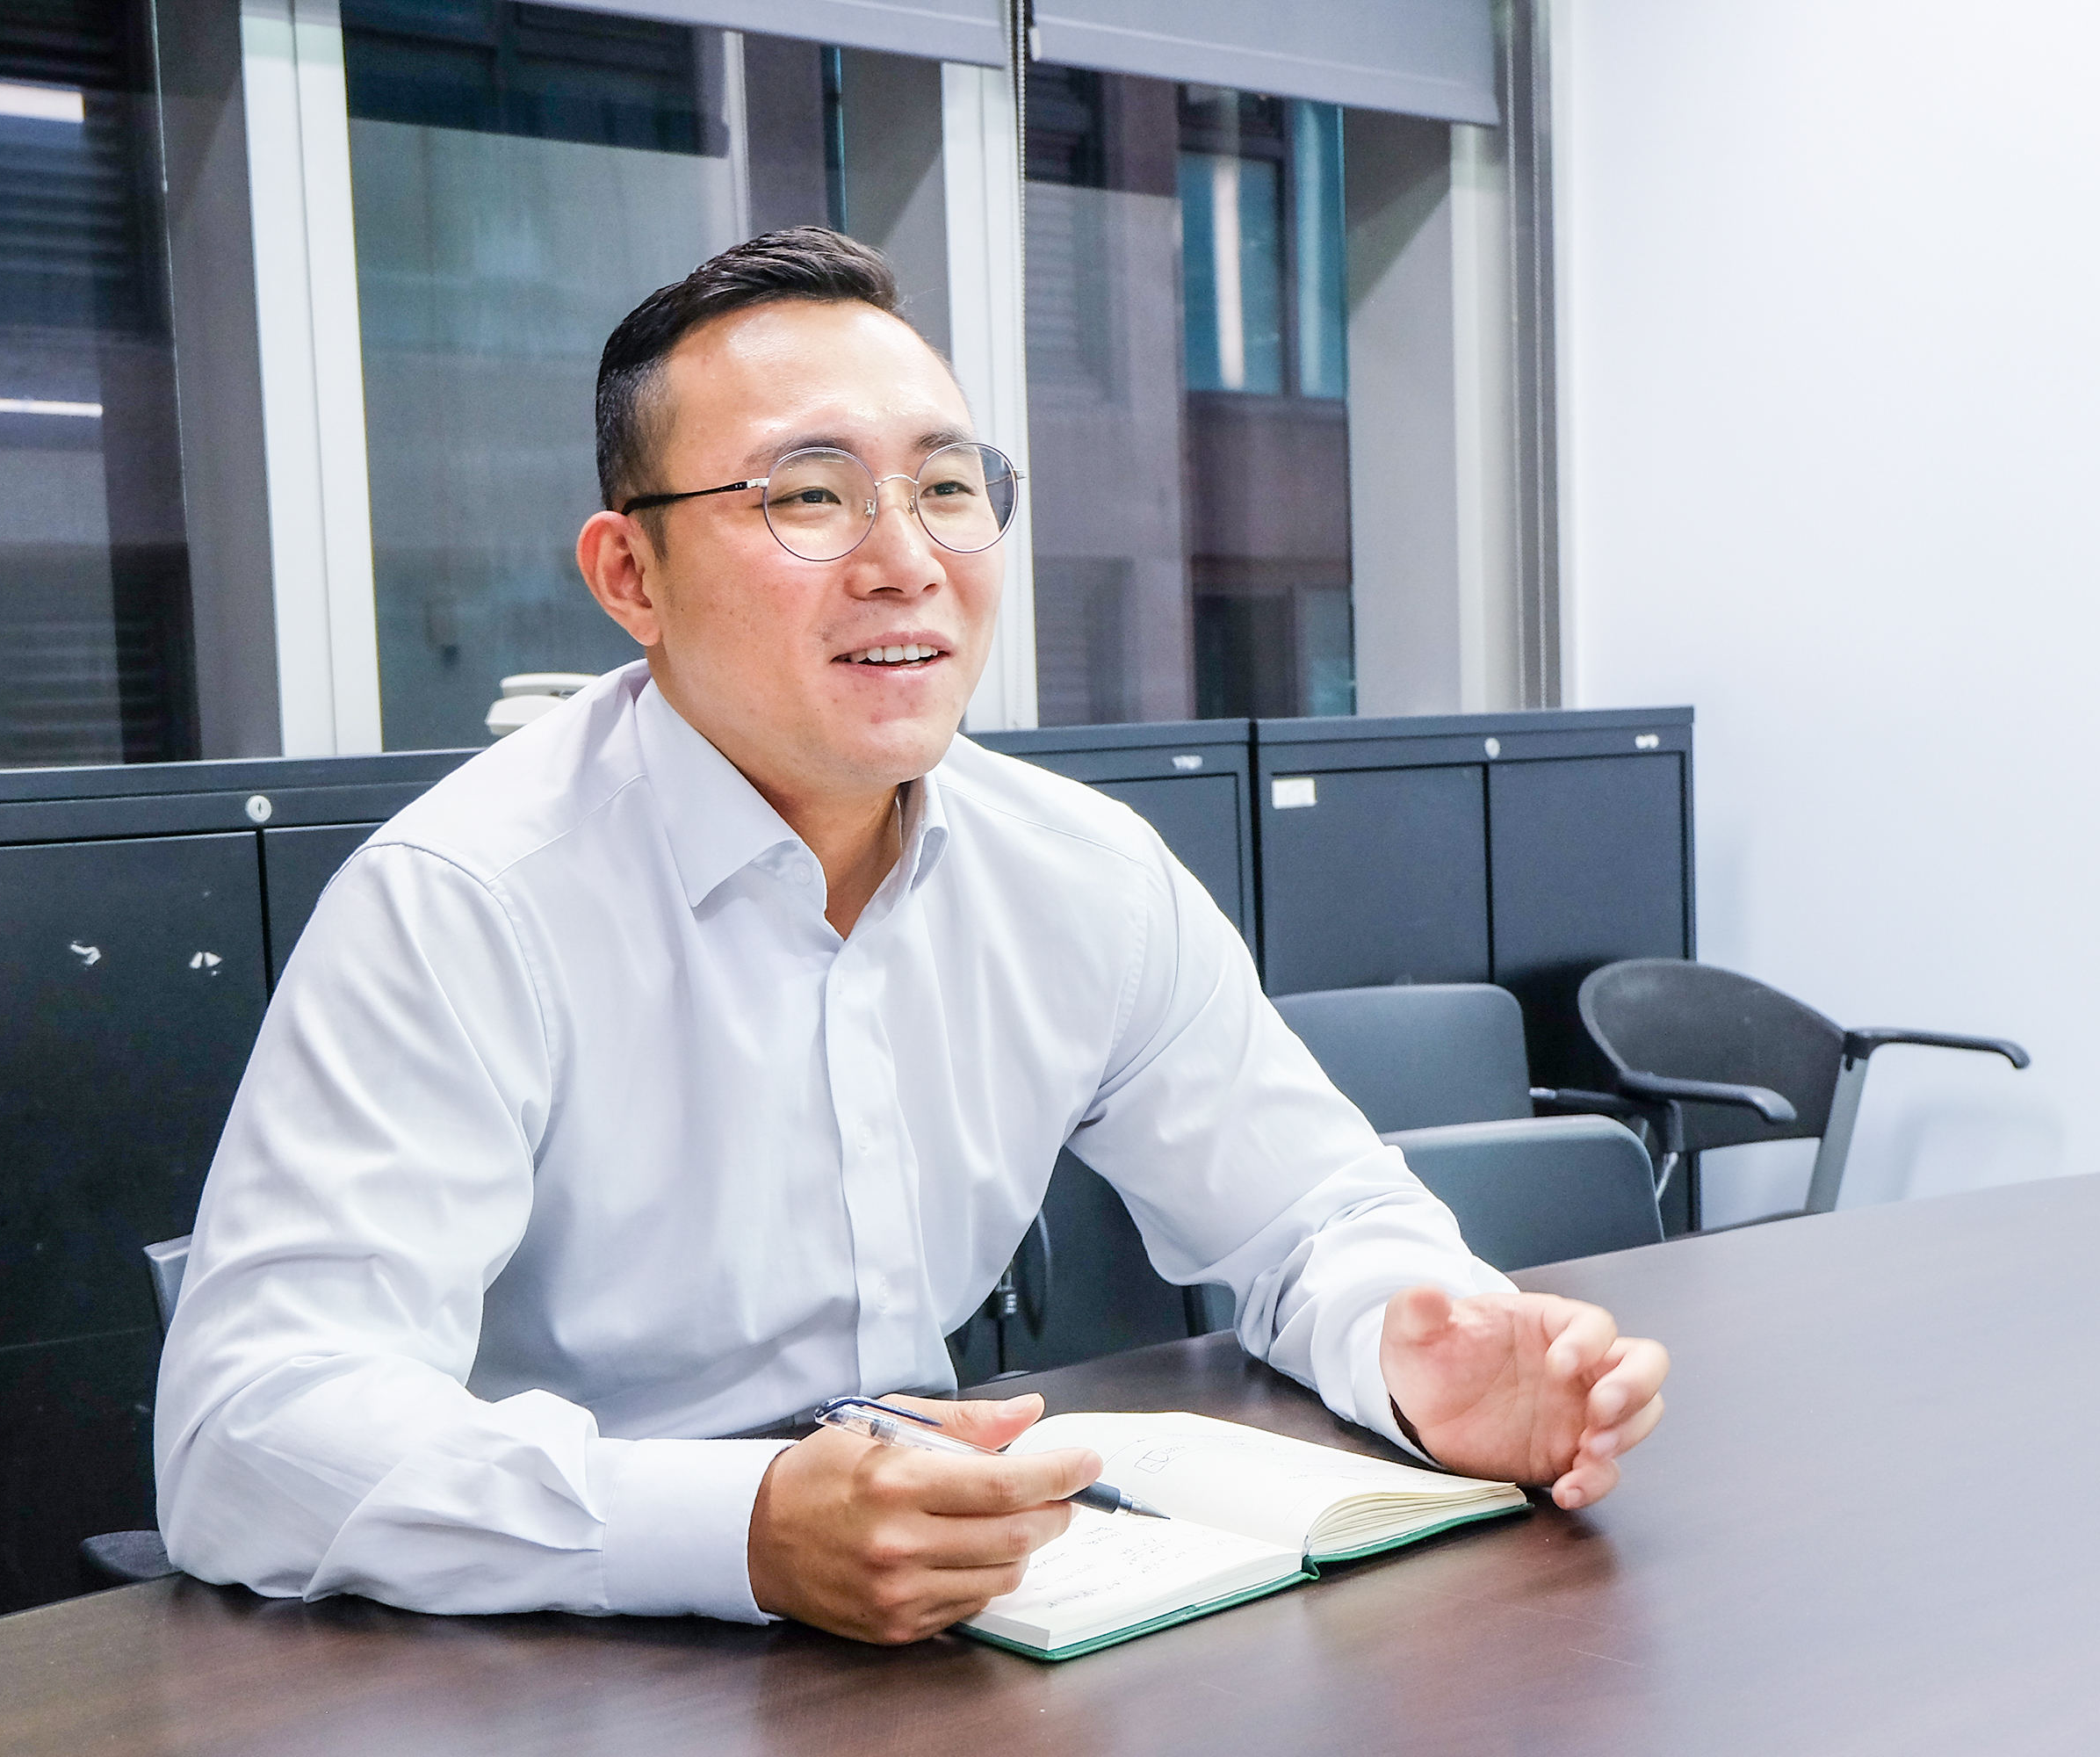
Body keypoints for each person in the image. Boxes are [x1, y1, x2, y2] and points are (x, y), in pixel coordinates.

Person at [155, 228, 1667, 1646]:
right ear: (631, 577)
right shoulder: (464, 901)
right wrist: (743, 1528)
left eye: (947, 486)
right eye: (810, 495)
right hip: (550, 1643)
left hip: (940, 1616)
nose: (907, 558)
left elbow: (1313, 1214)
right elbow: (253, 1429)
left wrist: (1417, 1350)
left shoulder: (1077, 873)